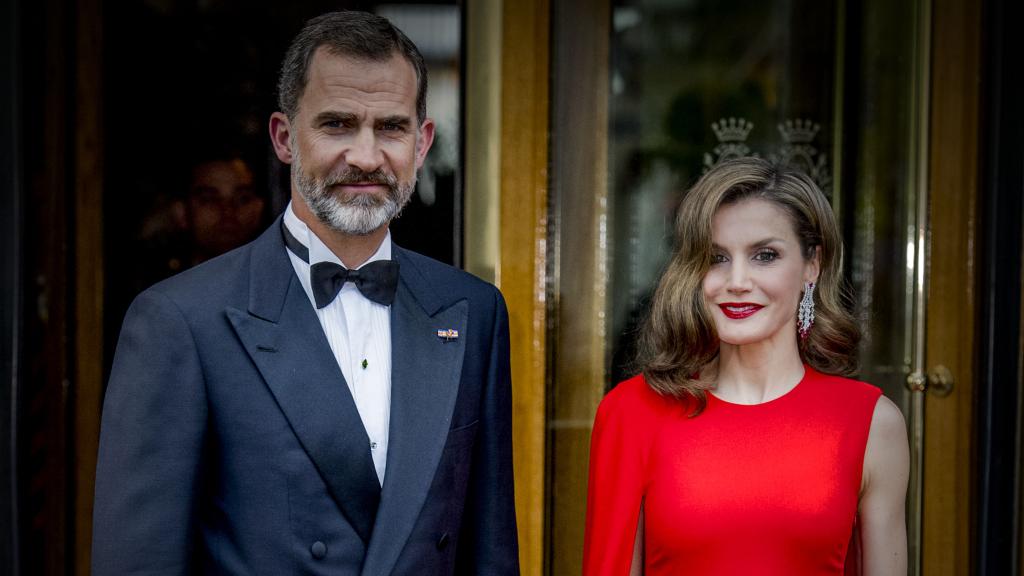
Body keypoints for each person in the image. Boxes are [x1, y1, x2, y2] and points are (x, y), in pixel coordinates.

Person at [93, 11, 518, 575]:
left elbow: (488, 552)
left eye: (390, 127)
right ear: (285, 138)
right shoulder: (178, 321)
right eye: (337, 125)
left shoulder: (475, 312)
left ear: (422, 144)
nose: (366, 157)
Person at [583, 157, 909, 575]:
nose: (736, 281)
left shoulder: (872, 423)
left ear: (813, 265)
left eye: (765, 255)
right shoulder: (631, 412)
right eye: (716, 258)